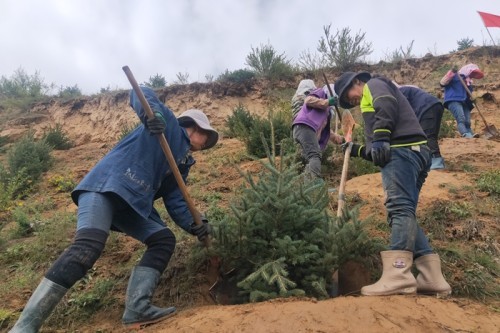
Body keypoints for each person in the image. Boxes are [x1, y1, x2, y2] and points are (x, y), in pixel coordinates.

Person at [9, 86, 219, 332]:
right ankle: (24, 327)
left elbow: (176, 200)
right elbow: (141, 93)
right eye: (208, 136)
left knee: (163, 239)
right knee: (87, 247)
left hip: (132, 203)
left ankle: (137, 308)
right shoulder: (169, 124)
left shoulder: (182, 163)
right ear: (196, 128)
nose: (208, 143)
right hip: (106, 187)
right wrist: (155, 117)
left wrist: (197, 224)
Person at [334, 71, 451, 297]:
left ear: (357, 81)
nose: (351, 101)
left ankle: (398, 276)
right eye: (347, 102)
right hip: (413, 152)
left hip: (403, 152)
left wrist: (380, 138)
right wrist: (356, 149)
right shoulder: (376, 108)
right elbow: (379, 152)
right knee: (403, 211)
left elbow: (385, 109)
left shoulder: (375, 85)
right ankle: (432, 278)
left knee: (399, 209)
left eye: (348, 95)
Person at [292, 83, 344, 180]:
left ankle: (307, 187)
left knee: (310, 158)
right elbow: (308, 100)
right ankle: (315, 183)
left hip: (301, 129)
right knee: (314, 155)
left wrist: (342, 140)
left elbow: (328, 131)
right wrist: (327, 102)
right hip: (305, 126)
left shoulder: (325, 113)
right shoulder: (320, 92)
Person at [397, 84, 446, 170]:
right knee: (429, 135)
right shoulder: (408, 91)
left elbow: (402, 112)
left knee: (428, 136)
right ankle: (430, 160)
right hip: (435, 105)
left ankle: (436, 162)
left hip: (427, 108)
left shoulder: (400, 91)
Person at [440, 63, 484, 138]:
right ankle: (465, 134)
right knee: (461, 119)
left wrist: (472, 99)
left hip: (465, 103)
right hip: (454, 100)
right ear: (468, 70)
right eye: (473, 73)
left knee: (467, 121)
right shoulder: (455, 75)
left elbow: (469, 94)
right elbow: (442, 83)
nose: (473, 75)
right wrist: (451, 72)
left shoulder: (468, 82)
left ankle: (470, 134)